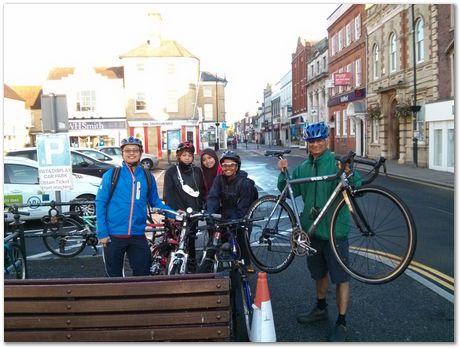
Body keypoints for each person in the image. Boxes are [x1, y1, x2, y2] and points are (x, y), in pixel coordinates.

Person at [277, 121, 361, 342]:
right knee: (319, 274)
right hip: (312, 232)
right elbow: (287, 191)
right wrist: (283, 172)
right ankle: (321, 308)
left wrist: (349, 173)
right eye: (311, 141)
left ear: (326, 141)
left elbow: (357, 187)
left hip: (335, 233)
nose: (315, 144)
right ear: (307, 143)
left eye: (319, 140)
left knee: (341, 278)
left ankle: (341, 322)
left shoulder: (336, 163)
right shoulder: (304, 168)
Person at [96, 136, 174, 277]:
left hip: (137, 235)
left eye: (135, 150)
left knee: (143, 274)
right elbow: (101, 203)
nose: (131, 153)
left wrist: (175, 214)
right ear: (122, 153)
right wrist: (102, 232)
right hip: (114, 235)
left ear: (141, 152)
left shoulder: (147, 176)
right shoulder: (112, 175)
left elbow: (156, 202)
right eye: (127, 150)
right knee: (114, 277)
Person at [203, 150, 257, 273]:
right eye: (225, 165)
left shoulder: (245, 183)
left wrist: (234, 219)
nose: (228, 168)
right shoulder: (219, 179)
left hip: (241, 215)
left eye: (231, 165)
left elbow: (244, 207)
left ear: (237, 167)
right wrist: (210, 213)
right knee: (217, 240)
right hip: (224, 213)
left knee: (240, 240)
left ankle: (246, 263)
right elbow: (213, 197)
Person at [163, 141, 206, 272]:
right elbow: (168, 193)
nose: (187, 157)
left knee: (191, 239)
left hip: (193, 212)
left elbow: (202, 190)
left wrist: (201, 207)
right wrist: (173, 211)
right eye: (184, 155)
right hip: (178, 212)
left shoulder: (197, 171)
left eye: (189, 155)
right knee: (175, 239)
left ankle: (191, 263)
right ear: (178, 156)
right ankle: (171, 265)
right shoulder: (171, 172)